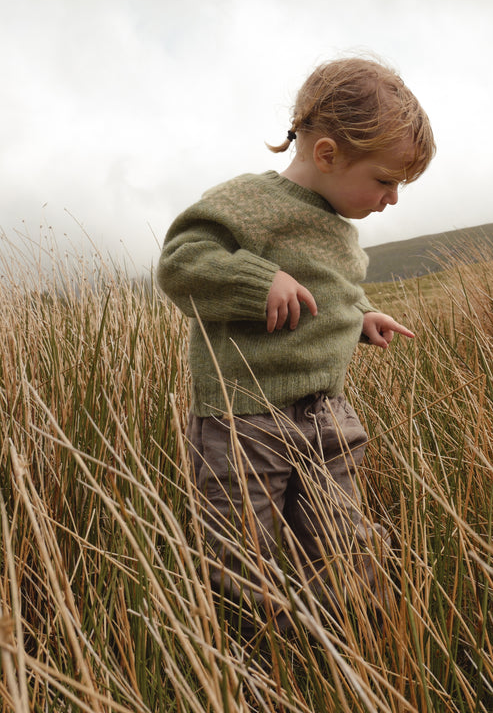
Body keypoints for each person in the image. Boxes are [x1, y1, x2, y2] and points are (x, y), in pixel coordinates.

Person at [157, 56, 435, 638]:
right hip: (243, 418)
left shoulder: (339, 226)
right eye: (385, 180)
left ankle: (353, 652)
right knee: (238, 556)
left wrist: (360, 316)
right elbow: (181, 265)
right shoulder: (247, 202)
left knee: (345, 547)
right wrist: (258, 280)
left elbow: (329, 290)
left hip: (327, 416)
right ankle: (249, 671)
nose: (392, 198)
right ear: (328, 153)